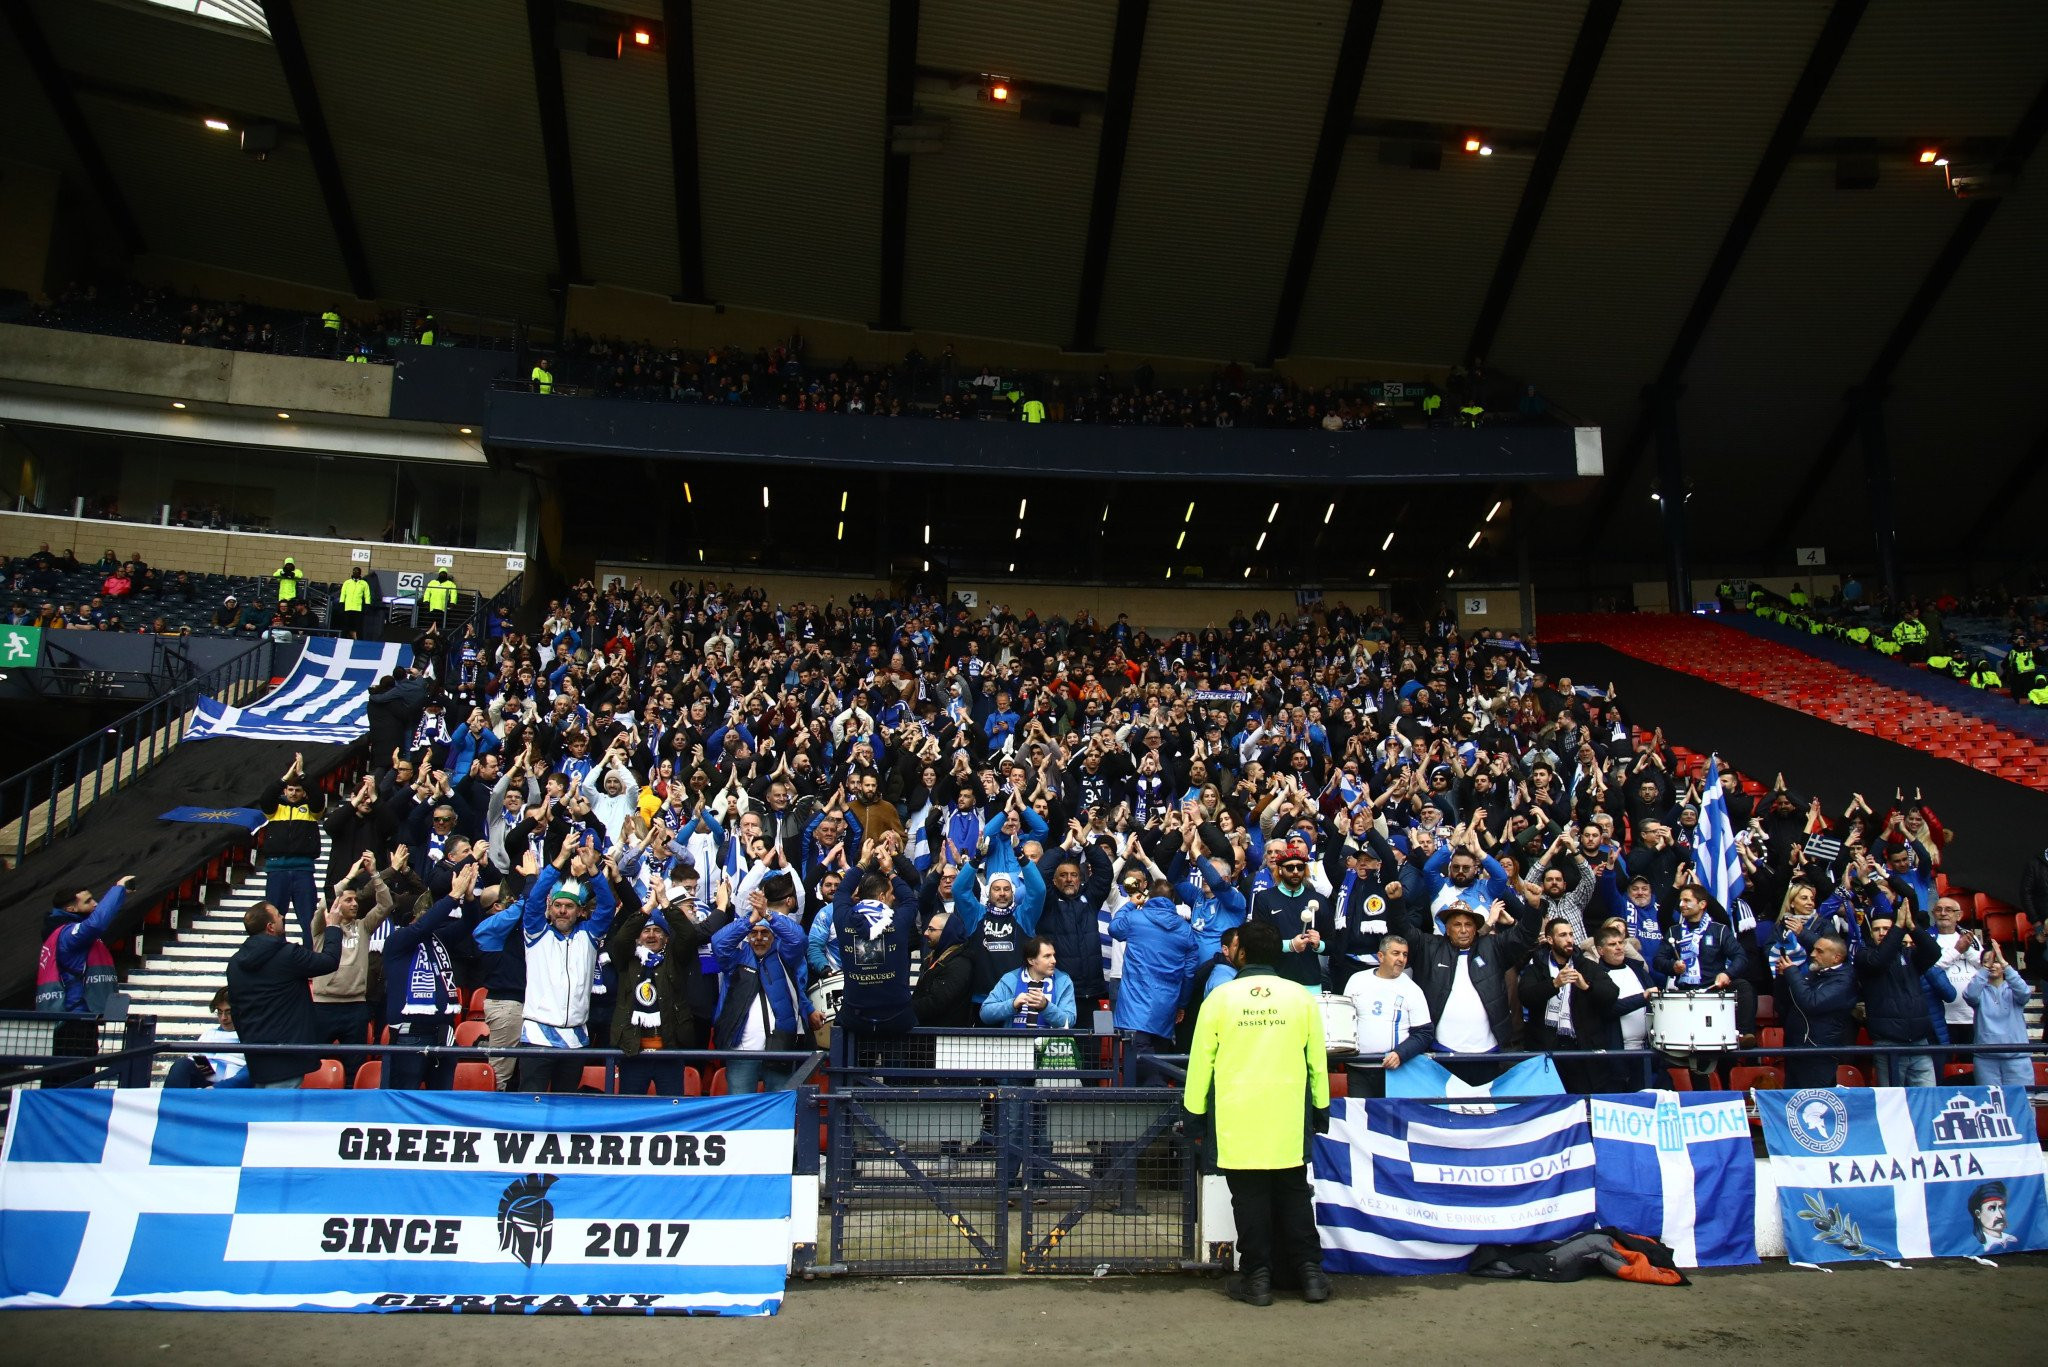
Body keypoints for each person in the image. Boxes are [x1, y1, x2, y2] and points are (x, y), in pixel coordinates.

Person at [1182, 920, 1331, 1308]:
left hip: (1238, 1118)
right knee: (1295, 1195)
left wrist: (1194, 1113)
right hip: (1287, 1116)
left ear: (1241, 953)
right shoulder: (1300, 997)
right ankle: (1311, 1276)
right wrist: (1320, 1109)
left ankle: (1257, 1279)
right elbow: (1318, 1061)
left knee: (1248, 1200)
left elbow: (1201, 1063)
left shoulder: (1221, 999)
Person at [512, 842, 619, 1092]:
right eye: (558, 905)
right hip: (538, 1037)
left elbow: (607, 906)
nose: (562, 911)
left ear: (580, 911)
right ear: (550, 909)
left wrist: (593, 869)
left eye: (569, 906)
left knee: (567, 1105)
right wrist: (559, 860)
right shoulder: (536, 933)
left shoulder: (589, 935)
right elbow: (535, 900)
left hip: (575, 1039)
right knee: (531, 1104)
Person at [1408, 899, 1535, 1083]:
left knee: (1483, 1109)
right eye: (1457, 925)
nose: (1463, 930)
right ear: (1447, 929)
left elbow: (1525, 937)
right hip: (1442, 1053)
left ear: (1476, 928)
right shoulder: (1430, 947)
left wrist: (1533, 907)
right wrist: (1395, 902)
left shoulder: (1493, 947)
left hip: (1488, 1054)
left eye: (1468, 924)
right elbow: (1403, 931)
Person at [710, 877, 815, 1095]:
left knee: (778, 1111)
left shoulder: (784, 955)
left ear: (773, 935)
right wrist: (748, 921)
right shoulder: (735, 959)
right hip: (741, 1051)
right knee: (739, 1109)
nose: (758, 938)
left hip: (780, 1049)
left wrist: (768, 914)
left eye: (764, 933)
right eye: (753, 934)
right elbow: (718, 942)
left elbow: (799, 939)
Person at [225, 897, 345, 1088]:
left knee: (264, 1114)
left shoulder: (234, 963)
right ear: (270, 927)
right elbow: (329, 961)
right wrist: (333, 927)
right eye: (278, 915)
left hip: (257, 1055)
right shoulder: (287, 954)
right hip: (288, 1055)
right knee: (278, 1115)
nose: (283, 917)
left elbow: (236, 1011)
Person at [608, 871, 709, 1097]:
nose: (651, 935)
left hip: (669, 1051)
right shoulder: (628, 958)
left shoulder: (675, 956)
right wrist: (646, 910)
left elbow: (688, 936)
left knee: (670, 1109)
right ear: (638, 936)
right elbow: (621, 939)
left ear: (666, 937)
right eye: (646, 931)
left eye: (657, 931)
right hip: (633, 1051)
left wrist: (664, 903)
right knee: (631, 1111)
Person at [381, 862, 476, 1090]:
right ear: (410, 918)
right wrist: (453, 895)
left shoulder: (438, 939)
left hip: (444, 1035)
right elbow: (421, 927)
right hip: (410, 1036)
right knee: (404, 1102)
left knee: (441, 1101)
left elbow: (470, 923)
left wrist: (469, 897)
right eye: (424, 913)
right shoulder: (397, 942)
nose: (432, 917)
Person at [308, 852, 394, 1045]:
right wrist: (349, 877)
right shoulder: (321, 927)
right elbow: (324, 902)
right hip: (323, 1005)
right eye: (348, 900)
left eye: (355, 900)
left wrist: (375, 875)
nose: (355, 904)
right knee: (316, 1063)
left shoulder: (363, 926)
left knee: (355, 1064)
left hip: (356, 1005)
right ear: (338, 903)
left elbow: (386, 904)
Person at [1109, 879, 1198, 1056]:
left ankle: (1157, 1084)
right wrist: (1181, 1005)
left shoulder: (1135, 918)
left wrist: (1130, 905)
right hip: (1166, 1008)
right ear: (1173, 900)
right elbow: (1189, 974)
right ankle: (1158, 1083)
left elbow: (1114, 929)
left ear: (1149, 897)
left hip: (1133, 1008)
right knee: (1159, 1060)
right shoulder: (1186, 930)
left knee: (1135, 1067)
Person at [1338, 932, 1433, 1097]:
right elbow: (1344, 1020)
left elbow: (1424, 1032)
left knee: (1390, 1121)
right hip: (1358, 1067)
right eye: (1395, 953)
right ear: (1380, 956)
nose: (1401, 959)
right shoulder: (1356, 980)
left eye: (1404, 954)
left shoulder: (1413, 989)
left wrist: (1400, 1054)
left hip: (1394, 1072)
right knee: (1361, 1119)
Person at [1858, 901, 1941, 1087]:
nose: (1882, 933)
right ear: (1870, 933)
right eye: (1877, 929)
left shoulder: (1908, 954)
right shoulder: (1864, 956)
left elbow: (1934, 952)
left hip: (1920, 1042)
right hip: (1889, 1044)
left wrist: (1912, 927)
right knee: (1893, 1103)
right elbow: (1878, 961)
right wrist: (1897, 927)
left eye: (1886, 928)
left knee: (1927, 1098)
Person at [37, 876, 135, 1012]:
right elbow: (95, 924)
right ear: (71, 909)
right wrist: (118, 890)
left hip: (86, 1011)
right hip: (74, 1015)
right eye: (87, 901)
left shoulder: (68, 932)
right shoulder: (67, 935)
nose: (95, 903)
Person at [260, 751, 326, 945]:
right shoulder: (274, 810)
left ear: (303, 791)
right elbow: (265, 798)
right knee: (274, 918)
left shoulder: (312, 811)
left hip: (302, 871)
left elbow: (318, 798)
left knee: (308, 919)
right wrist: (284, 779)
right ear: (284, 790)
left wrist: (302, 775)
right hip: (276, 870)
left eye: (297, 790)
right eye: (290, 789)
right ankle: (276, 955)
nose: (294, 793)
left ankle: (309, 957)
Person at [1777, 932, 1855, 1089]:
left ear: (1836, 958)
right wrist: (1782, 978)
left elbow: (1811, 1003)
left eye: (1820, 951)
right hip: (1796, 1049)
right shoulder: (1814, 974)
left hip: (1819, 1054)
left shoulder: (1843, 981)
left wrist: (1792, 973)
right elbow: (1783, 1003)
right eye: (1814, 949)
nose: (1812, 954)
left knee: (1815, 1104)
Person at [1963, 940, 2033, 1088]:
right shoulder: (1979, 989)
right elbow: (1969, 996)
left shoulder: (2014, 989)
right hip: (1986, 1059)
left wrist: (2004, 962)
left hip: (2017, 1058)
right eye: (1986, 962)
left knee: (2021, 1105)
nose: (1992, 965)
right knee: (1990, 1107)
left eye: (1996, 961)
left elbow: (2025, 993)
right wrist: (1985, 968)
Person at [164, 987, 251, 1089]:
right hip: (205, 1081)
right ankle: (169, 1102)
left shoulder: (250, 1036)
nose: (223, 1018)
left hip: (229, 1088)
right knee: (182, 1064)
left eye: (228, 1012)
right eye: (219, 1012)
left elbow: (251, 1071)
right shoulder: (209, 1034)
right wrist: (206, 1070)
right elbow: (193, 1058)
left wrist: (218, 1087)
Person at [911, 908, 975, 1026]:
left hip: (946, 1037)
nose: (925, 933)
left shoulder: (960, 963)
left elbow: (936, 1002)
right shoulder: (933, 958)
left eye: (931, 930)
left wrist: (905, 1009)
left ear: (947, 932)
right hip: (928, 1034)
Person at [337, 565, 374, 637]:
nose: (355, 572)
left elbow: (367, 595)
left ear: (360, 573)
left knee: (358, 626)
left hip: (358, 608)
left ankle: (358, 640)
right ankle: (344, 638)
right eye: (354, 571)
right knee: (346, 625)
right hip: (348, 607)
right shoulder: (347, 582)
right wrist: (341, 604)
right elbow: (343, 594)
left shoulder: (364, 583)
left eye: (357, 571)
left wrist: (367, 605)